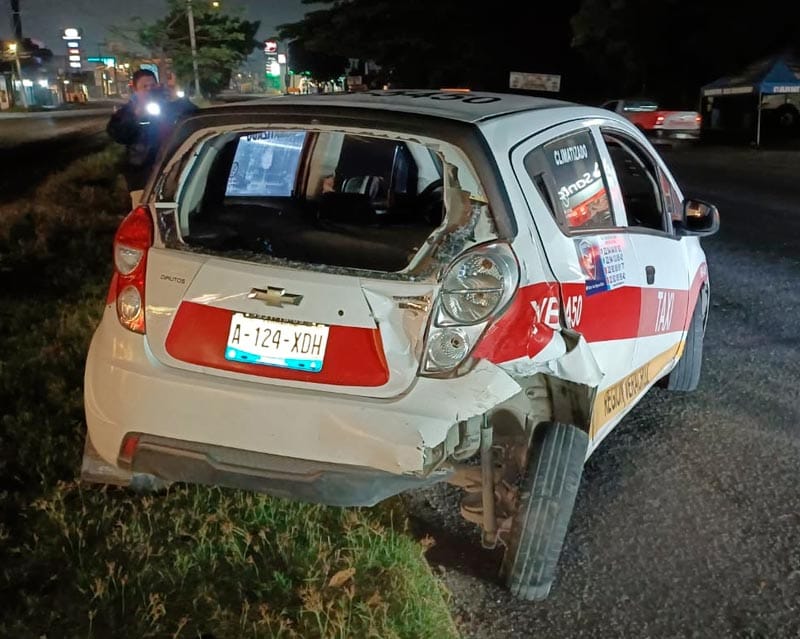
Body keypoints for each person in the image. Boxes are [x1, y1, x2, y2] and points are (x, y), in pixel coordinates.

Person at [107, 69, 197, 206]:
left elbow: (196, 116)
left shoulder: (171, 106)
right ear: (135, 90)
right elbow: (118, 134)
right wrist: (137, 116)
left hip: (174, 172)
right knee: (145, 214)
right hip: (143, 176)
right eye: (145, 87)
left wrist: (177, 99)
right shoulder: (128, 112)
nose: (150, 90)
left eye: (153, 85)